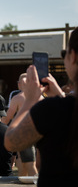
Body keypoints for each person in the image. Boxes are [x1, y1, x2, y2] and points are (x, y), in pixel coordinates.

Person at [4, 27, 78, 186]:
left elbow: (11, 142)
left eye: (65, 54)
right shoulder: (60, 106)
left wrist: (29, 101)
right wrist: (61, 96)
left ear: (73, 57)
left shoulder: (52, 110)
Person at [1, 73, 38, 176]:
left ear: (20, 84)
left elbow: (7, 118)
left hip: (24, 133)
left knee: (24, 160)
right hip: (39, 133)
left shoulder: (18, 98)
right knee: (34, 161)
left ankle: (25, 181)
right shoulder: (40, 96)